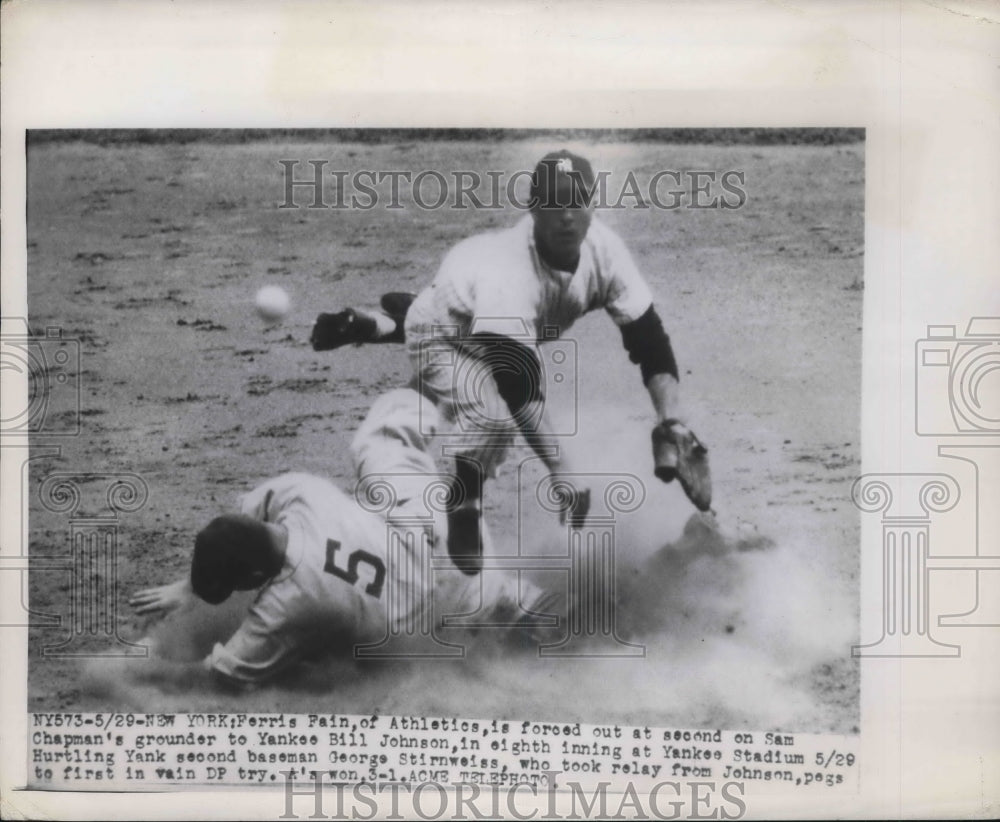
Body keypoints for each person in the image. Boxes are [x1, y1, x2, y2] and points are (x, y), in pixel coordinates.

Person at [311, 149, 694, 575]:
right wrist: (560, 468)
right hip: (444, 336)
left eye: (578, 200)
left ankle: (379, 324)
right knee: (492, 415)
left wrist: (672, 420)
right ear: (533, 210)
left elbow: (649, 339)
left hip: (473, 302)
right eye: (554, 202)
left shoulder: (606, 251)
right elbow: (519, 389)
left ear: (593, 206)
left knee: (481, 335)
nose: (567, 214)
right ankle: (464, 501)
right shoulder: (510, 273)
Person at [129, 388, 557, 687]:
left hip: (443, 600)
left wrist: (147, 662)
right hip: (426, 521)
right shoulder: (298, 492)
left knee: (501, 612)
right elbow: (238, 521)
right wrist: (193, 586)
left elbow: (221, 679)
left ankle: (535, 614)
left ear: (256, 575)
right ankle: (432, 368)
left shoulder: (286, 607)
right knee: (378, 443)